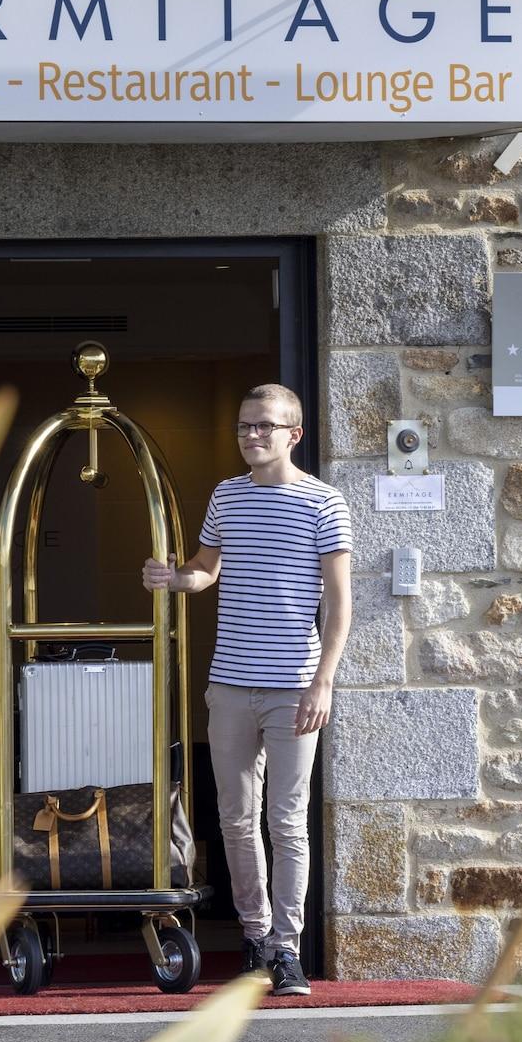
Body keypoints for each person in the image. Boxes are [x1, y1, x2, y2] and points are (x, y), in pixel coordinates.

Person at [141, 385, 351, 998]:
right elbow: (207, 571)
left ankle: (288, 949)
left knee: (286, 822)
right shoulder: (226, 497)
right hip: (230, 683)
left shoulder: (324, 504)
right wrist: (171, 579)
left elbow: (339, 607)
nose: (251, 435)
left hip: (293, 688)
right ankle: (255, 938)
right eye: (243, 426)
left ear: (294, 434)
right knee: (235, 819)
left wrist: (324, 683)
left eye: (264, 426)